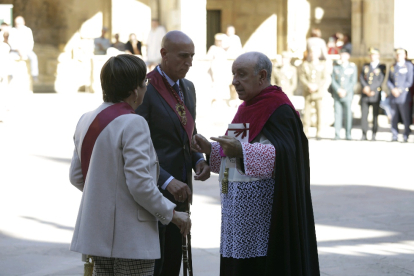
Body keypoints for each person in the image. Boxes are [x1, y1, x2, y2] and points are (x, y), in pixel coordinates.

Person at [192, 51, 320, 276]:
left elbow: (285, 156)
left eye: (241, 74)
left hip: (265, 216)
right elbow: (233, 154)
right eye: (233, 74)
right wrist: (210, 150)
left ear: (262, 76)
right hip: (236, 212)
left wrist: (242, 150)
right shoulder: (246, 107)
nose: (234, 81)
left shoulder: (279, 109)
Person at [69, 54, 191, 275]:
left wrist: (109, 202)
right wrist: (173, 214)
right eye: (144, 83)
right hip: (131, 238)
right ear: (135, 90)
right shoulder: (134, 122)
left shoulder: (85, 119)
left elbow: (77, 177)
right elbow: (141, 185)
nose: (146, 89)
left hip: (97, 233)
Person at [135, 31, 210, 276]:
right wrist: (165, 179)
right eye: (183, 56)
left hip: (182, 188)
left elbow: (189, 130)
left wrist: (199, 159)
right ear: (164, 54)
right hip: (155, 187)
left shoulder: (188, 87)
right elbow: (139, 146)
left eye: (192, 57)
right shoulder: (144, 88)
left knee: (174, 259)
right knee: (155, 260)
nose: (188, 62)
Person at [300, 47, 329, 139]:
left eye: (315, 53)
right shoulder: (305, 65)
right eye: (311, 53)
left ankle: (319, 131)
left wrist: (316, 86)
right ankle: (306, 131)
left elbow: (324, 78)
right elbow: (302, 77)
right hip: (308, 91)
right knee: (307, 112)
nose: (313, 55)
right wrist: (308, 85)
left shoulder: (322, 65)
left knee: (319, 112)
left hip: (318, 92)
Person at [387, 48, 414, 142]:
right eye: (397, 54)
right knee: (393, 117)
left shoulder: (409, 66)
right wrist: (393, 89)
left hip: (404, 96)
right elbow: (389, 81)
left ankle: (406, 134)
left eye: (401, 54)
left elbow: (409, 81)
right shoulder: (393, 66)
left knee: (405, 116)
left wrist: (400, 90)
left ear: (405, 55)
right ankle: (394, 135)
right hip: (393, 96)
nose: (398, 56)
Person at [360, 47, 386, 141]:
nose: (372, 56)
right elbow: (362, 78)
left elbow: (380, 80)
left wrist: (370, 88)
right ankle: (364, 133)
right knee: (364, 115)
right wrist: (365, 87)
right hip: (365, 94)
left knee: (375, 115)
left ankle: (374, 133)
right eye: (371, 55)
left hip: (375, 94)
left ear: (378, 55)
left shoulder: (382, 66)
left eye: (374, 54)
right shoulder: (365, 66)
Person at [331, 48, 357, 140]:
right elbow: (333, 80)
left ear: (348, 56)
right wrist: (338, 90)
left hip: (347, 94)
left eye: (344, 54)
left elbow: (353, 81)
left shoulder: (352, 67)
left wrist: (345, 90)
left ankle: (348, 134)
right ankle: (337, 134)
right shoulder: (336, 67)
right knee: (337, 114)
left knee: (348, 114)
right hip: (337, 94)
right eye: (341, 54)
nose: (342, 56)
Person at [8, 16, 39, 81]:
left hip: (27, 50)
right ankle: (10, 74)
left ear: (24, 23)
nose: (18, 25)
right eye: (17, 23)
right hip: (15, 51)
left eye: (20, 23)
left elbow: (31, 42)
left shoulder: (28, 30)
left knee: (34, 57)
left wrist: (25, 50)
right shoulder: (12, 31)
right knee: (9, 57)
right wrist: (18, 50)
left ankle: (34, 75)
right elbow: (11, 42)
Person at [207, 33, 231, 103]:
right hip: (215, 71)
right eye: (218, 40)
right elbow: (209, 58)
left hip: (223, 71)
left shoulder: (224, 50)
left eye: (221, 40)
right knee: (215, 88)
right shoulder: (213, 48)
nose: (219, 42)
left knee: (223, 88)